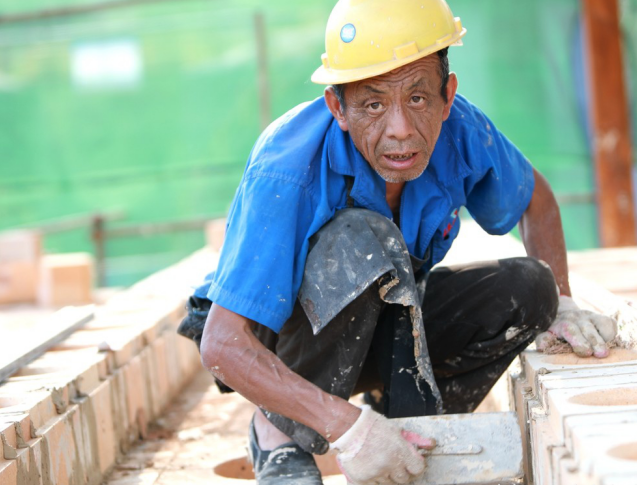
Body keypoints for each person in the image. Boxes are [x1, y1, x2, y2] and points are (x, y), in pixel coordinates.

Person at [180, 0, 618, 483]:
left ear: (447, 95)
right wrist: (345, 429)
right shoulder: (288, 166)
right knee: (362, 237)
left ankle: (408, 429)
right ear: (337, 108)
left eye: (417, 98)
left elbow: (536, 200)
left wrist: (567, 303)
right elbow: (223, 343)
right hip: (270, 337)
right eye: (372, 104)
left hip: (381, 317)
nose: (401, 130)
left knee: (532, 289)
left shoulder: (461, 131)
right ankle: (277, 435)